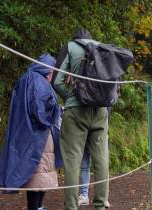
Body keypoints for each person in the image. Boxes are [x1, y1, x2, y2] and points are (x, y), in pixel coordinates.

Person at [0, 53, 62, 210]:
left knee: (38, 174)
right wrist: (56, 110)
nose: (53, 75)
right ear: (47, 70)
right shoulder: (39, 82)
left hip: (24, 132)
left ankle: (38, 206)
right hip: (39, 136)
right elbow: (41, 112)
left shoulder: (25, 78)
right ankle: (36, 206)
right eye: (52, 72)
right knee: (40, 174)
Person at [53, 28, 109, 210]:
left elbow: (57, 81)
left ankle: (71, 206)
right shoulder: (101, 47)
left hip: (76, 110)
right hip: (100, 110)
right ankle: (100, 205)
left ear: (75, 38)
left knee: (72, 161)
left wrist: (71, 96)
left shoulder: (69, 46)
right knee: (101, 160)